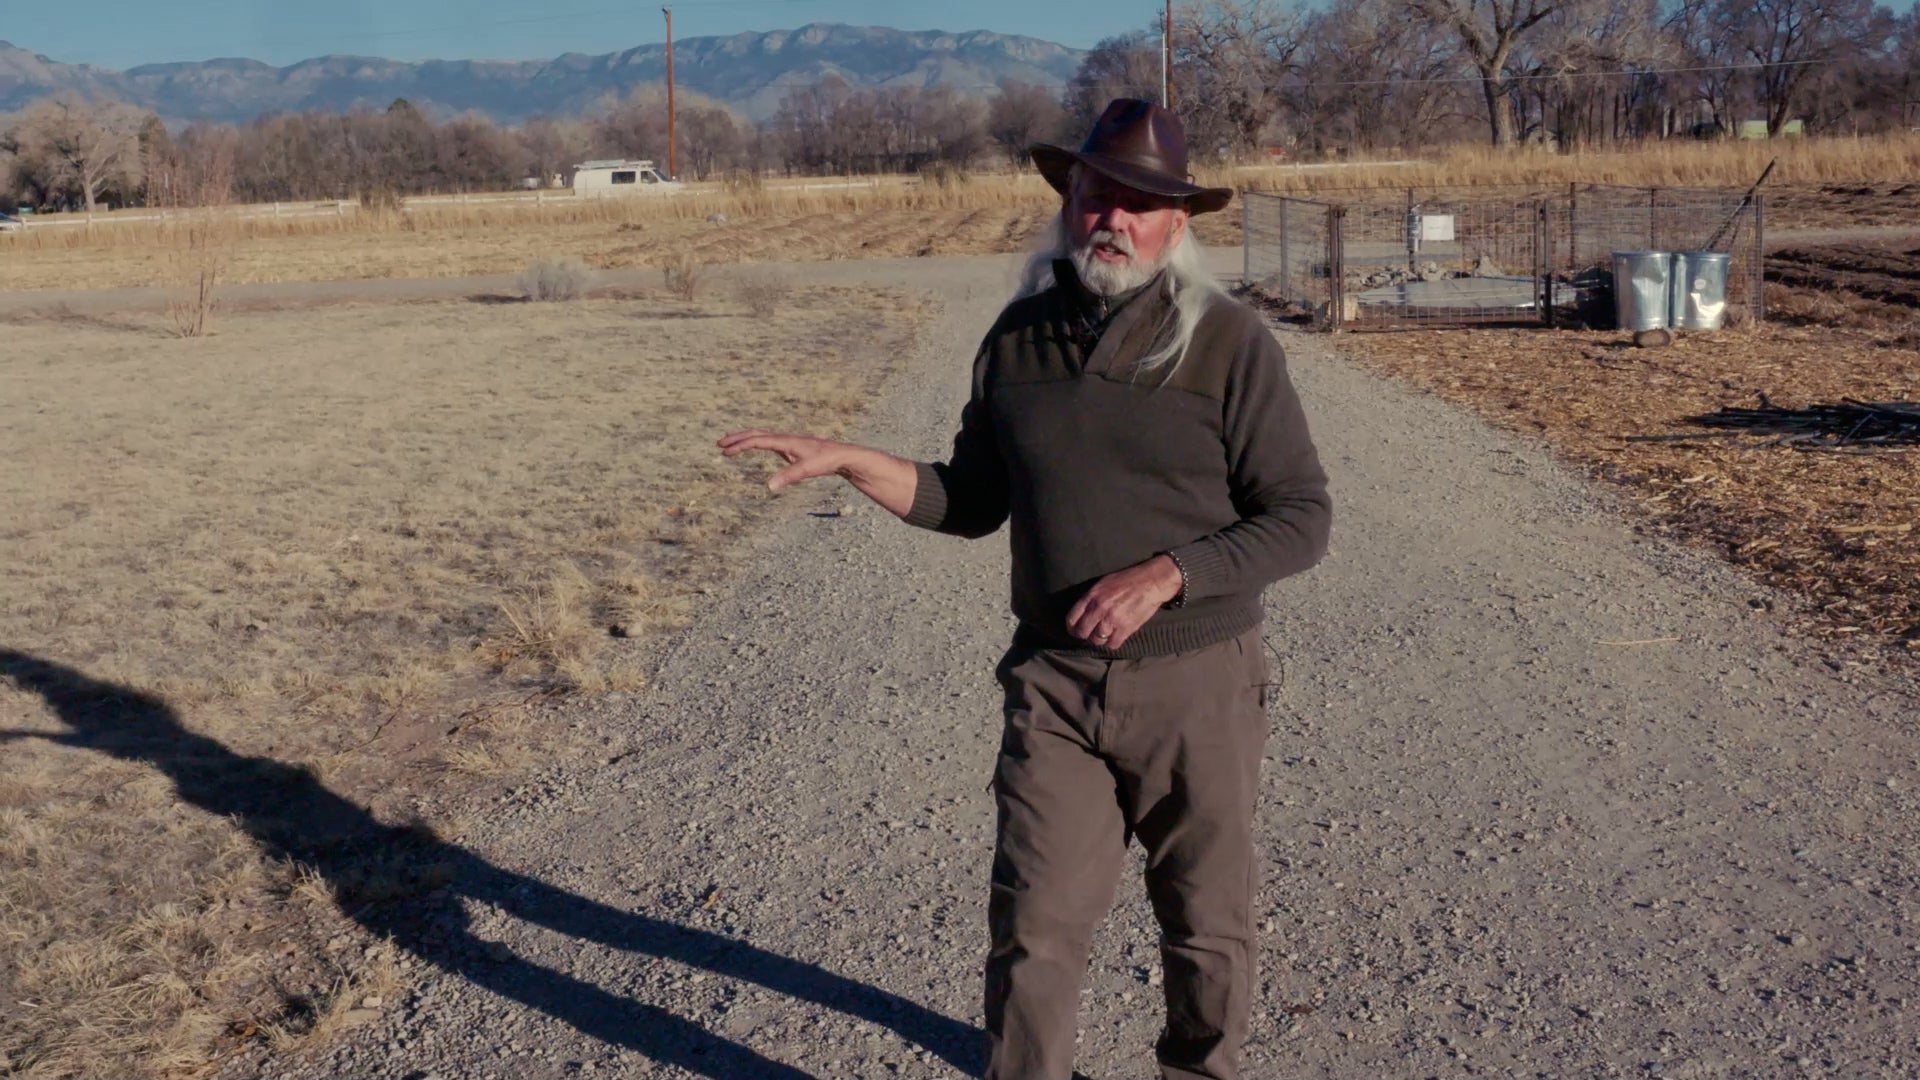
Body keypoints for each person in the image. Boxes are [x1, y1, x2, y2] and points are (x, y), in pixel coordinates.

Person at [719, 98, 1332, 1080]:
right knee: (1033, 926)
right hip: (1054, 685)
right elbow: (973, 499)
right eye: (1098, 194)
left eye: (1141, 203)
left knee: (1205, 924)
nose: (1114, 220)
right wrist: (853, 461)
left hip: (1198, 684)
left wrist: (1171, 574)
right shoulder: (1016, 341)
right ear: (1070, 200)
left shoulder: (1227, 342)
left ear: (1179, 221)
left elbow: (1301, 515)